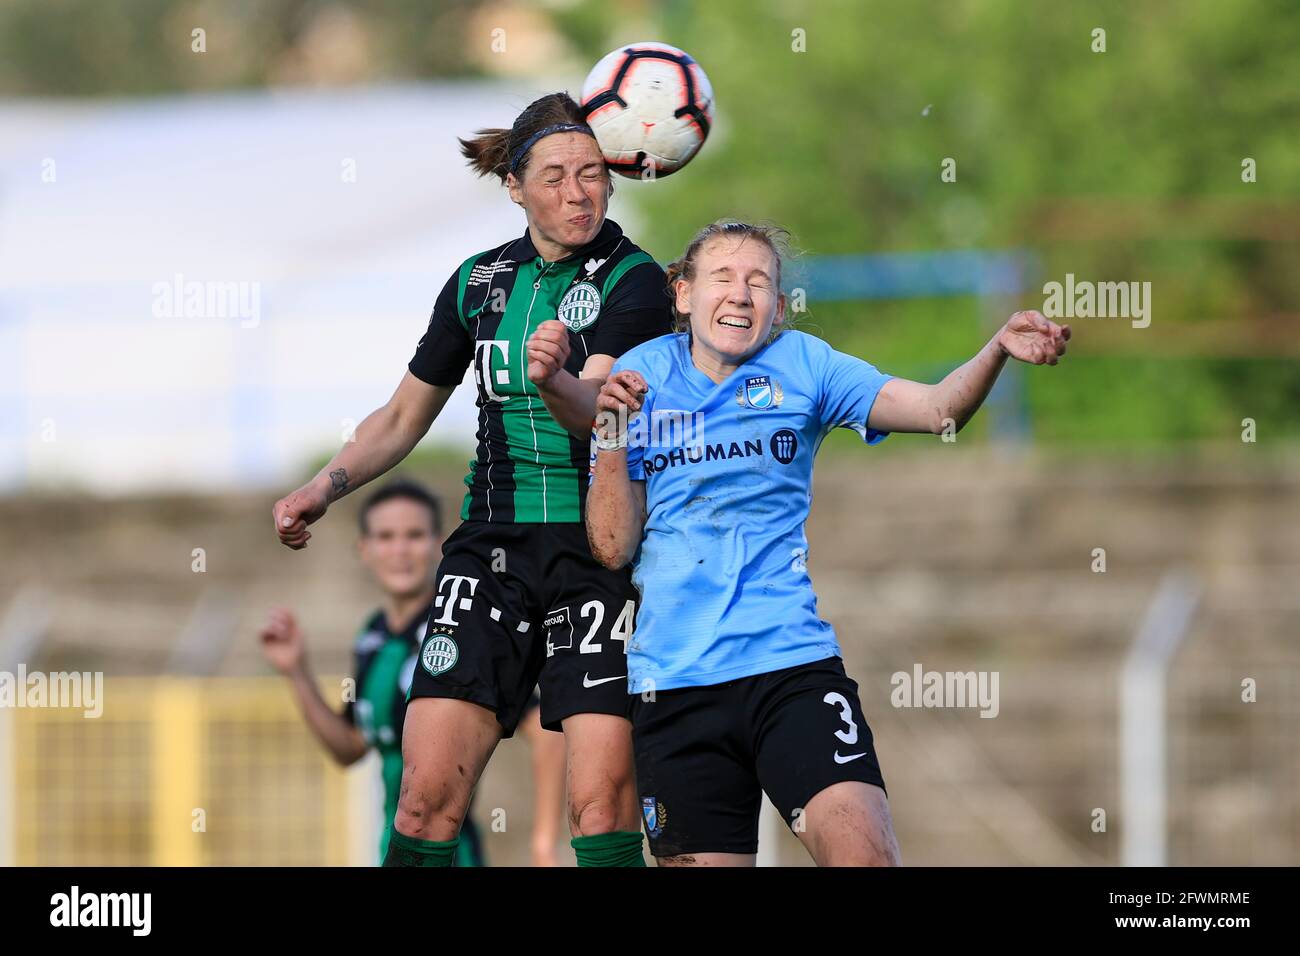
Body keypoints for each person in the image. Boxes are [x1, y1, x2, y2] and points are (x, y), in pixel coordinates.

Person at [586, 220, 1070, 866]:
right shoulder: (636, 377)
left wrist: (997, 349)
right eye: (723, 278)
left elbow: (935, 411)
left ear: (779, 308)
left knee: (865, 858)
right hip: (676, 681)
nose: (740, 294)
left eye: (759, 282)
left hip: (791, 669)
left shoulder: (805, 364)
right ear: (682, 294)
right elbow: (614, 547)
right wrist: (613, 432)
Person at [271, 92, 674, 867]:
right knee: (425, 799)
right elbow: (399, 417)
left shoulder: (636, 282)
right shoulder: (477, 283)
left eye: (593, 174)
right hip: (490, 551)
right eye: (555, 176)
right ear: (515, 186)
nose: (578, 192)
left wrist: (555, 376)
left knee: (600, 805)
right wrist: (321, 488)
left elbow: (599, 413)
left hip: (597, 552)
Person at [259, 481, 488, 864]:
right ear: (364, 549)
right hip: (390, 851)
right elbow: (351, 748)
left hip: (450, 854)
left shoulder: (458, 628)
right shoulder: (373, 636)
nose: (399, 551)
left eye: (414, 535)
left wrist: (544, 841)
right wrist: (296, 670)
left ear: (438, 544)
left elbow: (539, 728)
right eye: (385, 537)